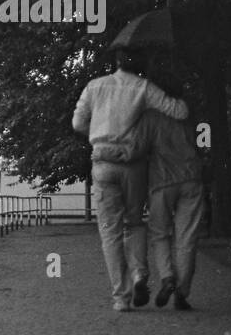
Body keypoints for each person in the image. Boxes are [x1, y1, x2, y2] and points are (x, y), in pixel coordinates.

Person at [72, 47, 188, 311]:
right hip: (132, 165)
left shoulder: (94, 86)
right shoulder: (144, 87)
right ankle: (139, 275)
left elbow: (78, 123)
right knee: (134, 223)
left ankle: (121, 298)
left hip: (103, 163)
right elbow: (178, 112)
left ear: (117, 61)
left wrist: (100, 130)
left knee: (110, 233)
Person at [135, 74, 204, 310]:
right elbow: (201, 142)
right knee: (187, 238)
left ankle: (167, 277)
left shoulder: (150, 118)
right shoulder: (188, 114)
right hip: (191, 179)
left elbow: (140, 150)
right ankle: (182, 293)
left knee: (160, 234)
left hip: (161, 182)